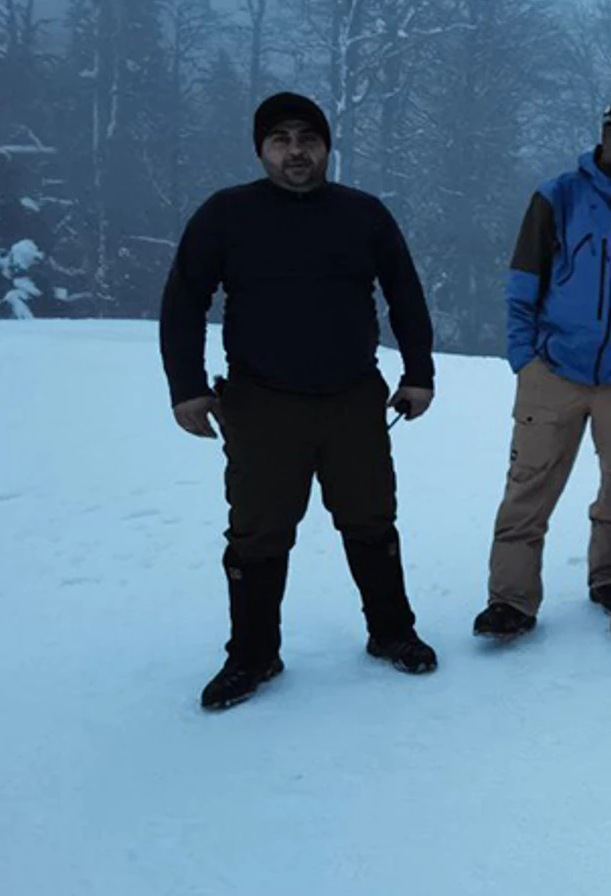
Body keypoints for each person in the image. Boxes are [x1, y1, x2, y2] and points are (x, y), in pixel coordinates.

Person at [160, 91, 439, 711]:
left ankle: (392, 632)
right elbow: (183, 301)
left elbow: (405, 294)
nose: (296, 151)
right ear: (261, 148)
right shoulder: (225, 216)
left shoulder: (363, 215)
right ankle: (253, 655)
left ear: (326, 147)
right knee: (258, 533)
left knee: (370, 520)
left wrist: (418, 372)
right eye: (281, 139)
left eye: (307, 139)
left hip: (352, 401)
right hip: (262, 405)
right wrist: (187, 387)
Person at [473, 96, 611, 639]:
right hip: (553, 372)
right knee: (528, 488)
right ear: (606, 136)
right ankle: (511, 601)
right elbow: (523, 280)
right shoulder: (557, 196)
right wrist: (525, 358)